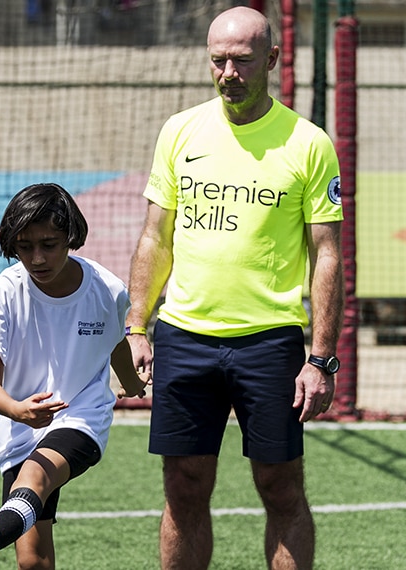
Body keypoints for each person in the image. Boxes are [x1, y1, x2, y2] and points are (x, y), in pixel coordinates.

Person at [125, 6, 345, 570]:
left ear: (271, 59)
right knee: (184, 486)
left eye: (242, 60)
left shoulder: (309, 142)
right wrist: (136, 326)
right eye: (218, 60)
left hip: (269, 342)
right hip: (185, 337)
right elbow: (155, 237)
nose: (228, 72)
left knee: (280, 488)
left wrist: (321, 359)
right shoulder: (179, 131)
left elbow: (327, 255)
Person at [0, 183, 150, 570]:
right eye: (25, 247)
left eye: (49, 244)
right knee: (33, 561)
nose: (37, 257)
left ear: (71, 237)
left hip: (80, 417)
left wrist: (133, 382)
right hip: (18, 425)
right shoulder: (1, 294)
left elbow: (115, 344)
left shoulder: (108, 290)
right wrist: (18, 410)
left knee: (36, 476)